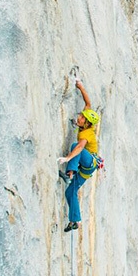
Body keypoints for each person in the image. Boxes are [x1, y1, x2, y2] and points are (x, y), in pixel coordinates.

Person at [57, 78, 101, 232]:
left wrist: (68, 159)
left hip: (89, 162)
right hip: (86, 168)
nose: (80, 117)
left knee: (76, 146)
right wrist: (81, 86)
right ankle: (75, 220)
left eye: (82, 117)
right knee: (70, 191)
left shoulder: (87, 133)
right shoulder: (87, 120)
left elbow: (80, 146)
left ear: (87, 123)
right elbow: (88, 103)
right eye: (81, 115)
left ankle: (70, 173)